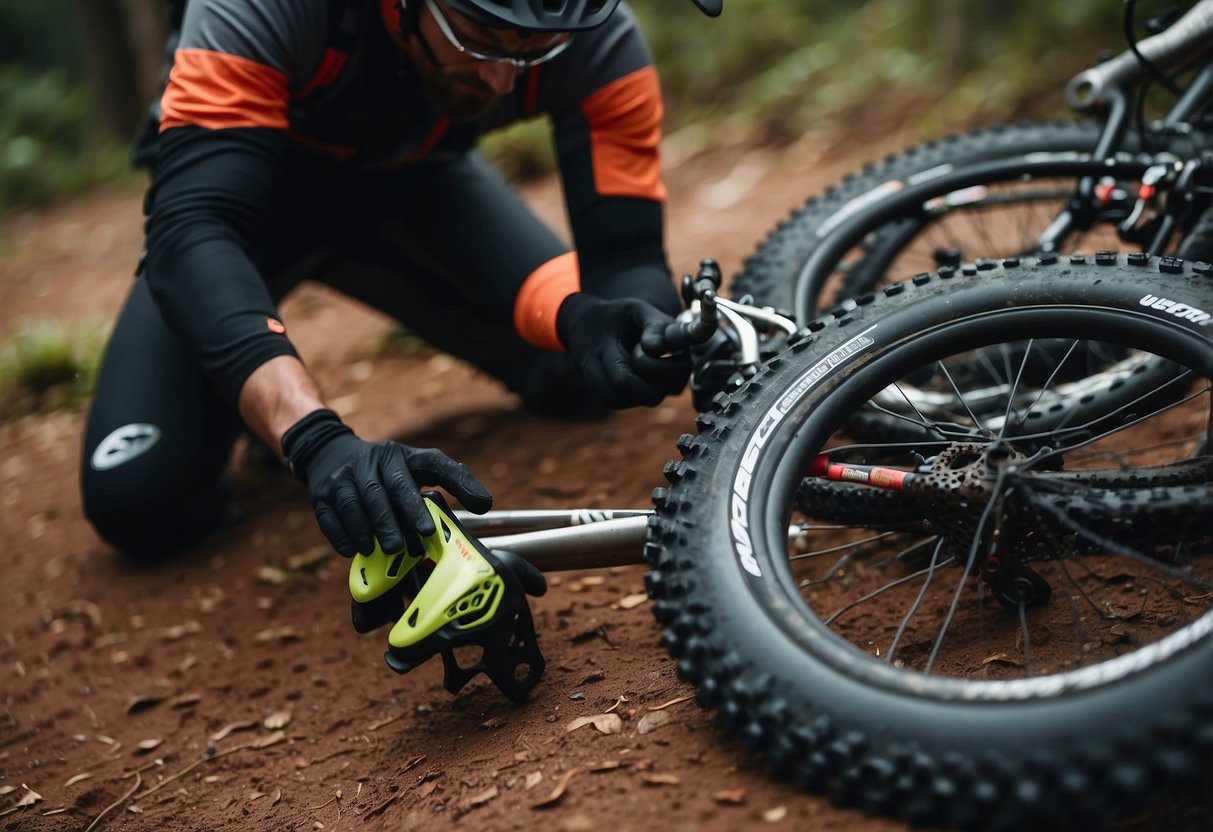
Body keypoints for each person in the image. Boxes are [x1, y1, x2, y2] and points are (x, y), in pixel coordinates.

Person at [80, 0, 723, 562]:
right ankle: (242, 402)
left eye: (534, 50)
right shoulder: (263, 8)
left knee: (593, 372)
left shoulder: (589, 32)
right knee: (142, 500)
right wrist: (313, 436)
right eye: (480, 38)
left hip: (418, 193)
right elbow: (192, 233)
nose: (502, 78)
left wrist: (614, 318)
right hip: (251, 208)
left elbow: (625, 253)